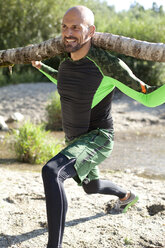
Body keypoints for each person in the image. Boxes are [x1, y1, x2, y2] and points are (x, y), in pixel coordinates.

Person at [32, 5, 165, 248]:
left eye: (75, 27)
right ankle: (127, 196)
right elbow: (65, 80)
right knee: (91, 187)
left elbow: (149, 97)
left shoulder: (107, 64)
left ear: (91, 31)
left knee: (52, 172)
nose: (68, 33)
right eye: (64, 27)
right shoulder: (65, 57)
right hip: (75, 141)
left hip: (98, 137)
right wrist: (42, 67)